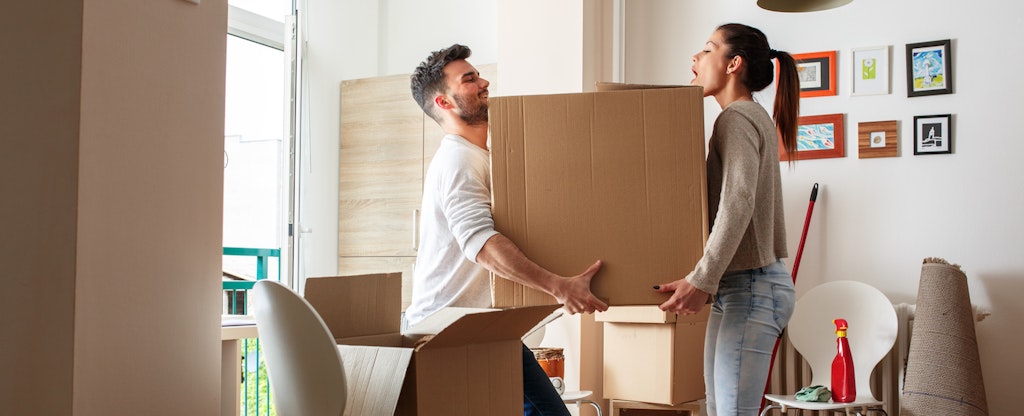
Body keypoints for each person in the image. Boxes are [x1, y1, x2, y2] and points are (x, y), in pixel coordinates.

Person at [406, 43, 609, 416]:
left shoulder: (484, 157)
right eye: (469, 79)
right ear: (444, 103)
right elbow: (481, 243)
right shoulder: (458, 160)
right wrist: (559, 286)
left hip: (480, 328)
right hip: (447, 330)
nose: (484, 82)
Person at [654, 23, 800, 416]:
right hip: (741, 287)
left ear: (733, 63)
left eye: (707, 49)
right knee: (721, 410)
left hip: (752, 287)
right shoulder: (747, 116)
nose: (695, 59)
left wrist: (702, 277)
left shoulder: (735, 118)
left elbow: (738, 202)